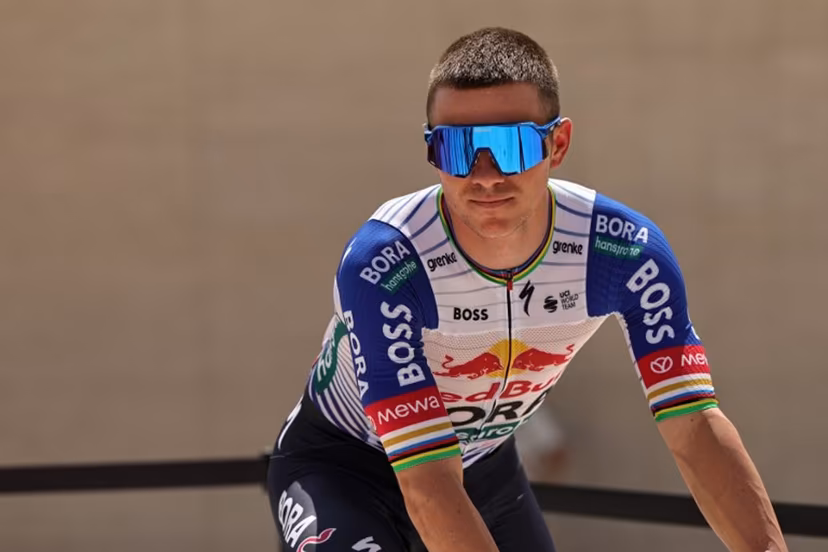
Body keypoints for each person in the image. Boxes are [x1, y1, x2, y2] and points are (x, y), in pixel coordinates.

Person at [267, 27, 788, 552]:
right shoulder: (386, 263)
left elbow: (694, 423)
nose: (485, 175)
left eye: (509, 146)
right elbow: (426, 482)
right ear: (431, 151)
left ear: (556, 144)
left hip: (484, 468)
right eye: (457, 148)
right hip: (342, 468)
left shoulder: (623, 252)